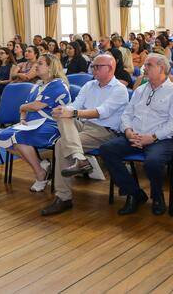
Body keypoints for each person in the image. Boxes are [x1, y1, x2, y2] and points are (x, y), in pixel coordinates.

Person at [99, 53, 173, 216]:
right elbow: (126, 114)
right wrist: (127, 131)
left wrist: (152, 137)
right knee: (107, 149)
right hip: (135, 136)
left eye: (149, 65)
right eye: (145, 65)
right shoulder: (140, 90)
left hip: (162, 140)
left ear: (161, 68)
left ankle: (157, 196)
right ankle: (134, 193)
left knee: (152, 161)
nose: (144, 68)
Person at [41, 54, 129, 215]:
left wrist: (72, 112)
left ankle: (64, 197)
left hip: (104, 131)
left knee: (61, 144)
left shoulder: (120, 90)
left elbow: (100, 113)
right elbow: (75, 105)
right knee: (63, 114)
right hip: (83, 126)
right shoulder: (89, 85)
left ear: (109, 68)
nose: (93, 69)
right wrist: (64, 110)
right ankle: (79, 158)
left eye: (97, 67)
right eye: (93, 66)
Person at [0, 54, 71, 192]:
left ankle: (40, 174)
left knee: (19, 138)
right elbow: (26, 105)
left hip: (52, 125)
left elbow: (36, 106)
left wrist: (22, 109)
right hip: (32, 123)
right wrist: (23, 118)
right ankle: (41, 164)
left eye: (40, 63)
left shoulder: (58, 84)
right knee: (3, 138)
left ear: (50, 67)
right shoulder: (38, 85)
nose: (36, 65)